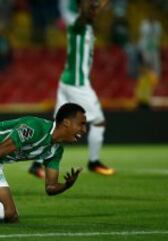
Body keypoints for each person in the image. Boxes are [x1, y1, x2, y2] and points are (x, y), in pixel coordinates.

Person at [0, 103, 87, 222]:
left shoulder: (56, 150)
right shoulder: (35, 127)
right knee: (9, 213)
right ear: (66, 122)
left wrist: (66, 185)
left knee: (9, 215)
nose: (84, 129)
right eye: (81, 124)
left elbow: (50, 187)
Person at [29, 0, 114, 178]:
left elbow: (93, 11)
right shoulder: (78, 25)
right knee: (98, 122)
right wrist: (95, 6)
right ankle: (94, 161)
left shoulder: (87, 27)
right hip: (77, 84)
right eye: (92, 10)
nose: (95, 12)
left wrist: (100, 5)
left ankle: (36, 164)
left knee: (56, 127)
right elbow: (85, 13)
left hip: (67, 82)